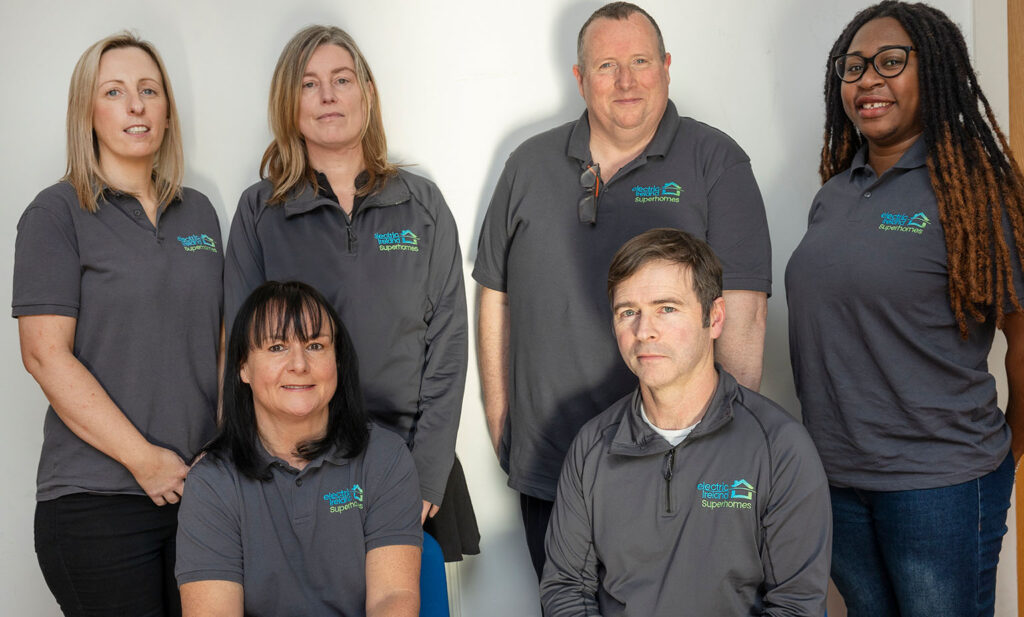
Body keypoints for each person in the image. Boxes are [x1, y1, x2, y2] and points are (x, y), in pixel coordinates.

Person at [473, 1, 772, 578]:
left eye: (640, 61)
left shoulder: (715, 161)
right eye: (607, 66)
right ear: (581, 78)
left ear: (666, 67)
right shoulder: (527, 165)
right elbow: (496, 296)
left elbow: (744, 314)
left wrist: (718, 450)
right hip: (551, 467)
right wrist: (501, 420)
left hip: (674, 468)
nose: (626, 81)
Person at [785, 2, 1024, 615]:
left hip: (938, 485)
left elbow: (1023, 335)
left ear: (935, 72)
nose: (868, 80)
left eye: (891, 62)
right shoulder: (834, 194)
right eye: (853, 66)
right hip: (837, 481)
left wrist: (1005, 454)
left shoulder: (974, 193)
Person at [223, 25, 478, 562]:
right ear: (289, 103)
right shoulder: (259, 212)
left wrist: (425, 473)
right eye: (309, 84)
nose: (328, 95)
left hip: (411, 463)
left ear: (366, 92)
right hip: (298, 469)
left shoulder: (422, 205)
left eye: (341, 79)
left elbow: (449, 346)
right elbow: (244, 352)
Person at [12, 32, 222, 616]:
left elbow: (222, 342)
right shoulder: (56, 213)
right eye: (114, 91)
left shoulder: (200, 212)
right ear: (88, 112)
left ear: (167, 110)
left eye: (149, 90)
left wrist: (224, 446)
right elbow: (44, 355)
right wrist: (145, 461)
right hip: (96, 503)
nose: (136, 105)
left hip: (200, 497)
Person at [541, 228, 830, 615]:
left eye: (666, 308)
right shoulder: (591, 447)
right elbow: (566, 590)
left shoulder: (780, 448)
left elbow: (796, 605)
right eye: (628, 312)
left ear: (715, 318)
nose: (644, 331)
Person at [175, 281, 421, 616]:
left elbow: (392, 598)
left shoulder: (385, 457)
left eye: (315, 346)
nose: (299, 364)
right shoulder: (211, 483)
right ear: (243, 367)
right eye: (277, 347)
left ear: (338, 360)